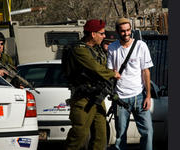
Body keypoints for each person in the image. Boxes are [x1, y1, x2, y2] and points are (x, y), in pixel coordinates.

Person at [64, 19, 121, 150]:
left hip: (97, 98)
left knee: (101, 137)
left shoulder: (97, 50)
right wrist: (112, 74)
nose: (104, 36)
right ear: (93, 34)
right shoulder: (79, 49)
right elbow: (95, 68)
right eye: (101, 33)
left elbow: (102, 66)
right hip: (83, 99)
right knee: (80, 134)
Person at [107, 17, 154, 150]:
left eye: (128, 30)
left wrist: (148, 96)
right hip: (120, 98)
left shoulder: (141, 46)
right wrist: (113, 73)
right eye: (123, 31)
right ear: (117, 31)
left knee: (148, 132)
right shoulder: (112, 48)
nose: (126, 33)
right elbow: (111, 71)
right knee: (120, 136)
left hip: (139, 96)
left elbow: (146, 72)